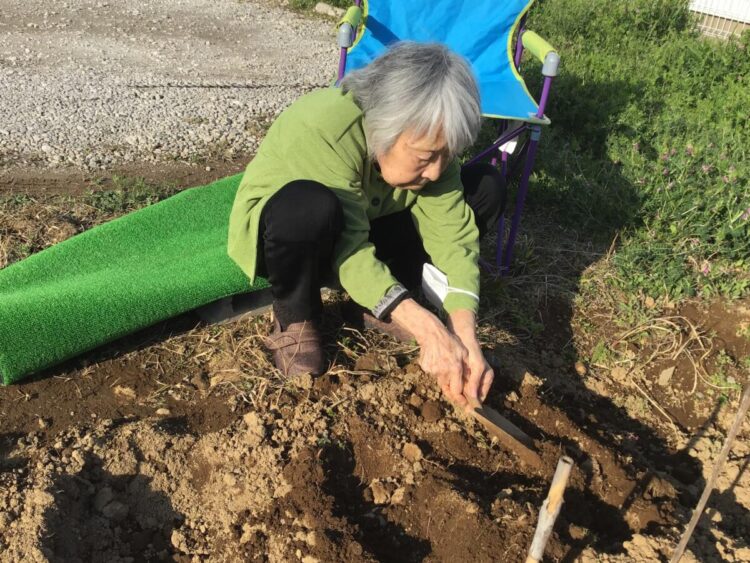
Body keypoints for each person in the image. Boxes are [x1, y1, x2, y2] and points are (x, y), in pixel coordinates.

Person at [227, 42, 505, 411]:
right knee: (308, 207)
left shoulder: (431, 147)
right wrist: (426, 326)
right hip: (299, 239)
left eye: (446, 155)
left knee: (484, 188)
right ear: (385, 128)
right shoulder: (325, 127)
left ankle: (379, 300)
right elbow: (349, 246)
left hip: (367, 225)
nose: (436, 170)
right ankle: (296, 317)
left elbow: (454, 236)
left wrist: (464, 334)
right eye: (425, 157)